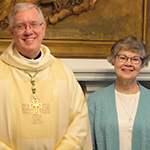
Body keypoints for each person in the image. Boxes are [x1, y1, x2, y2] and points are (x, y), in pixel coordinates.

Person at [0, 2, 92, 150]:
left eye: (34, 24)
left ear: (43, 28)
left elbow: (79, 119)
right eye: (21, 26)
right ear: (11, 32)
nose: (28, 31)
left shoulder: (63, 72)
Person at [87, 37, 150, 150]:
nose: (128, 63)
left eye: (135, 59)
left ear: (142, 64)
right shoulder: (96, 101)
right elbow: (88, 144)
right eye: (123, 58)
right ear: (113, 60)